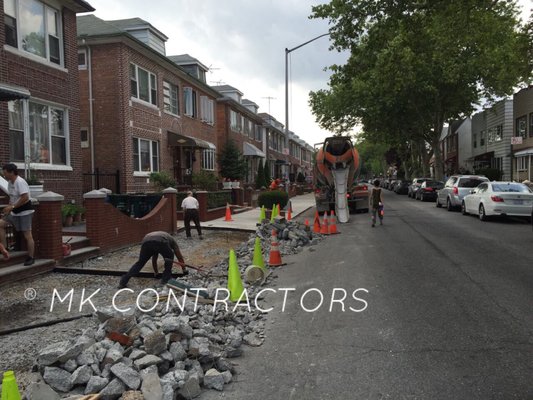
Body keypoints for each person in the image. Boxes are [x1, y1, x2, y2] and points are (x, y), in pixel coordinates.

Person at [119, 231, 186, 288]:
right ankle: (165, 280)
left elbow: (154, 259)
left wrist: (156, 272)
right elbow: (179, 257)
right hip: (161, 241)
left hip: (146, 242)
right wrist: (184, 270)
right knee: (169, 257)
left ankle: (123, 282)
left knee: (140, 263)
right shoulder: (172, 241)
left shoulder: (163, 236)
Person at [0, 163, 35, 265]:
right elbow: (12, 198)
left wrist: (12, 207)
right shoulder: (10, 183)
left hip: (25, 212)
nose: (4, 175)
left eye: (5, 173)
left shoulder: (20, 182)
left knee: (27, 235)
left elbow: (25, 197)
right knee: (0, 224)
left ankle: (31, 257)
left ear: (11, 172)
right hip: (15, 212)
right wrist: (9, 208)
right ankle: (5, 248)